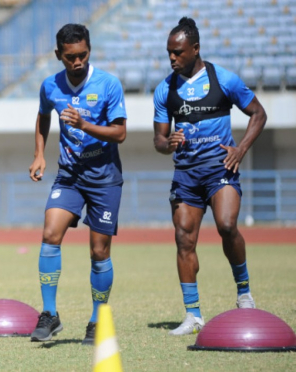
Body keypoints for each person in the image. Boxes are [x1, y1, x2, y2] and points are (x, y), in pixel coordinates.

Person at [152, 17, 267, 336]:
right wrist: (168, 142)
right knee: (183, 239)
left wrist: (239, 150)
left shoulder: (223, 79)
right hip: (186, 175)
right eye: (168, 53)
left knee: (227, 225)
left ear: (195, 49)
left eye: (177, 52)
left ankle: (244, 293)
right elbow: (159, 140)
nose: (172, 58)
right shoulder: (165, 90)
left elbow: (258, 114)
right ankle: (193, 315)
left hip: (220, 169)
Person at [28, 23, 127, 345]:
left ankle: (98, 320)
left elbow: (120, 133)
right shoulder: (50, 86)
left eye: (83, 55)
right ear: (59, 55)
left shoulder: (108, 84)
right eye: (71, 57)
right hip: (69, 175)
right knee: (50, 233)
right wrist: (39, 154)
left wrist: (84, 123)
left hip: (104, 179)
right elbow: (43, 115)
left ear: (89, 51)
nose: (78, 62)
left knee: (99, 251)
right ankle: (50, 313)